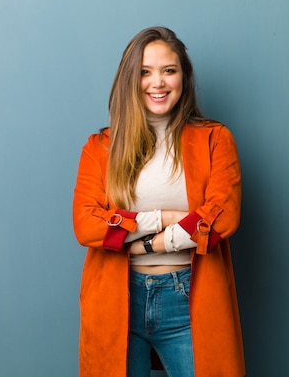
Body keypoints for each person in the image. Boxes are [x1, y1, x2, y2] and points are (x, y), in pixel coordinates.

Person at [72, 26, 245, 377]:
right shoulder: (100, 147)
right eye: (145, 72)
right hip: (117, 299)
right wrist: (164, 217)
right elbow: (86, 225)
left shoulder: (214, 139)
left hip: (189, 298)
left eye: (169, 70)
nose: (158, 83)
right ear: (129, 80)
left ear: (184, 76)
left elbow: (222, 218)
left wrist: (147, 244)